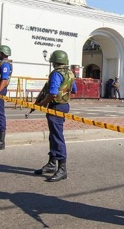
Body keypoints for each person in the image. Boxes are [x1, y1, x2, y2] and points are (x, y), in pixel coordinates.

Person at [34, 50, 77, 182]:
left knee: (57, 137)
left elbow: (52, 93)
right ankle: (52, 163)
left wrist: (42, 103)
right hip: (63, 105)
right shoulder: (70, 73)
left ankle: (62, 168)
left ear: (54, 62)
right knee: (53, 135)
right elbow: (74, 90)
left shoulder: (56, 74)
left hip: (56, 106)